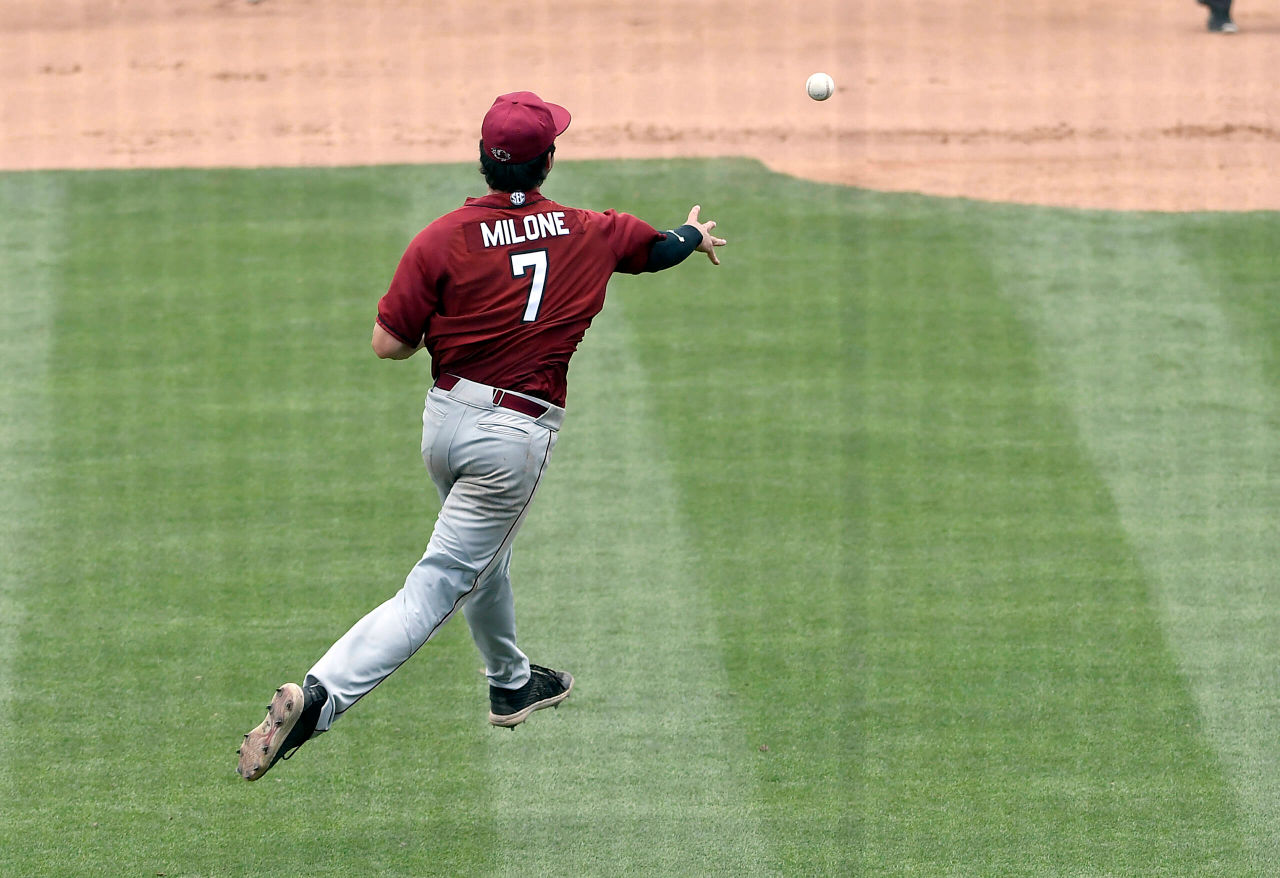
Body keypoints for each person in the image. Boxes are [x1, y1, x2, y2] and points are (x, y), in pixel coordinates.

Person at [237, 91, 726, 781]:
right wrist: (694, 233)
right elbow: (660, 250)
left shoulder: (440, 239)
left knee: (482, 556)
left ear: (482, 162)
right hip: (512, 441)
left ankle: (511, 681)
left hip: (445, 424)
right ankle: (319, 696)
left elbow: (388, 345)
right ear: (549, 161)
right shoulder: (593, 229)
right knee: (438, 584)